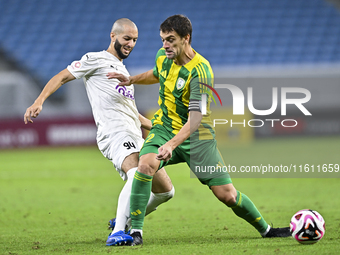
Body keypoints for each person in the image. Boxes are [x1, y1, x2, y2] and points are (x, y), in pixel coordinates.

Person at [107, 14, 291, 246]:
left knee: (228, 195)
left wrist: (171, 145)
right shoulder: (163, 57)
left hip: (198, 138)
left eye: (171, 40)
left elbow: (196, 119)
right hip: (164, 128)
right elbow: (156, 74)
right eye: (163, 39)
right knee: (145, 165)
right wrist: (131, 79)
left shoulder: (201, 72)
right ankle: (135, 233)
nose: (165, 45)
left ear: (186, 38)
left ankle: (267, 230)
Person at [23, 18, 174, 246]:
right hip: (114, 134)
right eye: (126, 38)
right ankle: (118, 233)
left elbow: (133, 114)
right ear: (113, 36)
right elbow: (62, 76)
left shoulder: (123, 71)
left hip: (134, 134)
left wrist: (162, 130)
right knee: (136, 175)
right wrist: (39, 101)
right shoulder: (95, 59)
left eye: (134, 40)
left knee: (165, 192)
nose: (131, 44)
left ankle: (122, 219)